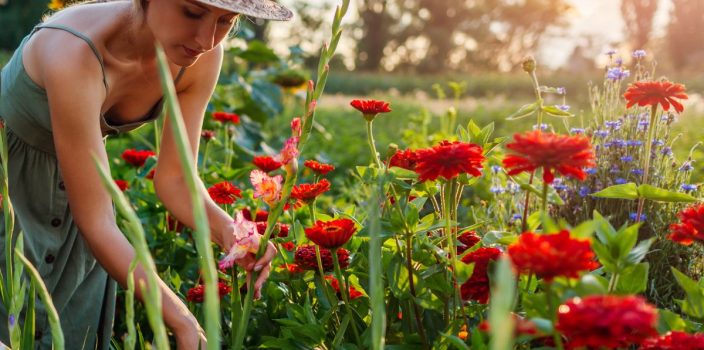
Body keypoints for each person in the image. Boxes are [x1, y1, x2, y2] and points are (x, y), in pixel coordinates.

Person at [0, 0, 292, 348]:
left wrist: (231, 233)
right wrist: (183, 320)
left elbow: (176, 180)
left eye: (227, 21)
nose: (206, 38)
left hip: (80, 209)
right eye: (192, 12)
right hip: (10, 195)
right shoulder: (74, 50)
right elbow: (96, 221)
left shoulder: (201, 57)